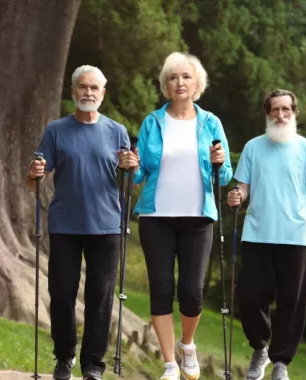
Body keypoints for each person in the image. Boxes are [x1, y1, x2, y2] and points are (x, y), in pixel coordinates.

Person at [117, 51, 232, 380]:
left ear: (197, 84)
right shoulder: (153, 122)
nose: (179, 82)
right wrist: (131, 165)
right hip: (157, 217)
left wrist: (220, 162)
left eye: (185, 77)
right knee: (162, 288)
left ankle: (187, 343)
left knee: (193, 292)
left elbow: (223, 179)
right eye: (172, 77)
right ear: (165, 86)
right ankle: (170, 364)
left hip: (198, 218)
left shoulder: (210, 123)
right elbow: (138, 176)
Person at [27, 65, 132, 380]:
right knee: (61, 293)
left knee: (100, 297)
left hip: (106, 227)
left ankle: (93, 365)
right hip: (65, 225)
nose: (88, 92)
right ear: (73, 92)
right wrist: (33, 173)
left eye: (94, 88)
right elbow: (35, 178)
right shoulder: (56, 130)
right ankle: (64, 357)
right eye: (82, 87)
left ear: (103, 92)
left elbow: (132, 175)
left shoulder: (117, 132)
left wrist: (131, 166)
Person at [226, 89, 306, 380]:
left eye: (286, 109)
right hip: (257, 232)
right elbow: (244, 186)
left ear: (294, 113)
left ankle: (281, 363)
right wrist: (237, 196)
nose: (280, 115)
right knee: (250, 295)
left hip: (295, 234)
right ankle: (259, 347)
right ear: (267, 114)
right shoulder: (253, 147)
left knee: (292, 301)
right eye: (274, 110)